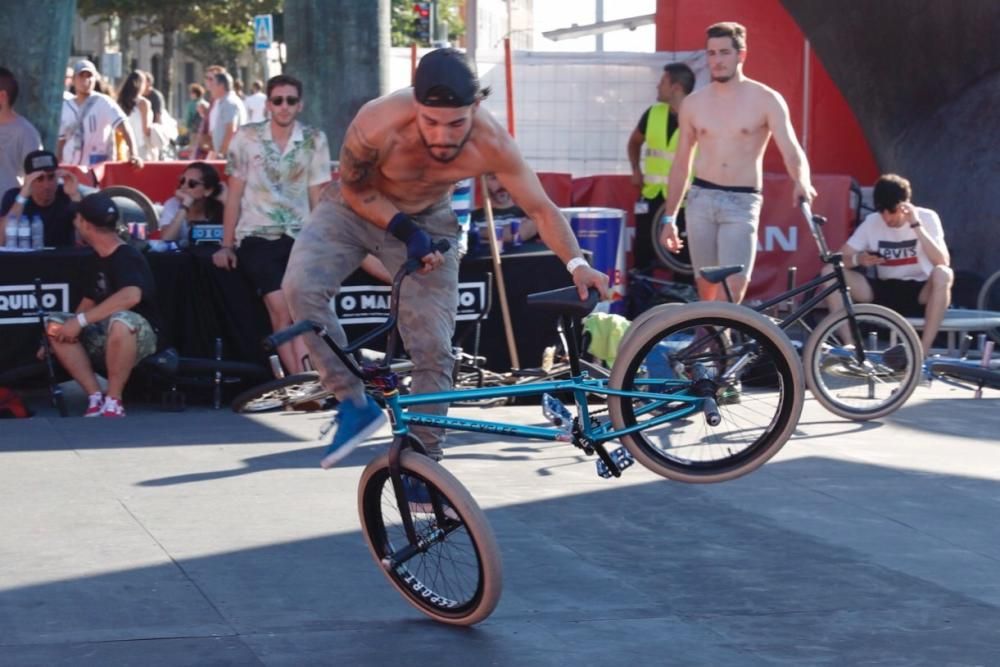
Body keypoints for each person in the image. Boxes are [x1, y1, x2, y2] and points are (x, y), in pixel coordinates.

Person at [282, 48, 608, 469]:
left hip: (430, 218)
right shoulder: (378, 119)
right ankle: (352, 401)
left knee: (434, 346)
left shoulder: (492, 143)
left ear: (476, 107)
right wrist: (404, 231)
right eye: (429, 122)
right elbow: (354, 188)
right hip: (352, 208)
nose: (442, 136)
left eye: (456, 124)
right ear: (414, 104)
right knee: (300, 288)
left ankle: (423, 458)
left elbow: (541, 209)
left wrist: (577, 264)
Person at [658, 22, 815, 303]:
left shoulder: (767, 99)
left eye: (724, 53)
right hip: (701, 198)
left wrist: (802, 180)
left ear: (741, 55)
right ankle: (711, 340)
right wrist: (670, 218)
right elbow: (682, 162)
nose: (717, 60)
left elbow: (791, 149)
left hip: (742, 202)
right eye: (712, 53)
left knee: (734, 285)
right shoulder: (694, 104)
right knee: (705, 283)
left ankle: (720, 332)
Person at [213, 74, 330, 377]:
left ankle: (309, 380)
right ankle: (299, 381)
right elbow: (234, 194)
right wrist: (226, 245)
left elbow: (318, 194)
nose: (284, 106)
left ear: (300, 105)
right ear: (268, 104)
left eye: (290, 100)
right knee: (281, 308)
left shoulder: (314, 139)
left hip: (301, 236)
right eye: (278, 100)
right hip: (257, 236)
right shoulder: (246, 137)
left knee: (301, 310)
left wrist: (322, 243)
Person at [44, 192, 161, 418]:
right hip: (104, 335)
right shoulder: (97, 256)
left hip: (140, 336)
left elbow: (131, 296)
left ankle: (114, 400)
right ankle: (95, 396)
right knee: (55, 323)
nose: (75, 224)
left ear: (85, 225)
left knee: (120, 320)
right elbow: (89, 299)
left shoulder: (126, 255)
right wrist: (65, 329)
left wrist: (80, 321)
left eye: (77, 219)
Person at [823, 174, 952, 358]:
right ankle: (850, 346)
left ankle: (922, 352)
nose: (886, 217)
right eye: (881, 211)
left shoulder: (927, 217)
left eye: (891, 211)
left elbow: (942, 261)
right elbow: (838, 258)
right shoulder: (872, 222)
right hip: (885, 289)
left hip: (920, 291)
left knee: (944, 274)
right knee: (830, 273)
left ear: (904, 206)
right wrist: (859, 259)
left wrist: (916, 226)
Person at [626, 62, 695, 275]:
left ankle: (684, 304)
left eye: (663, 81)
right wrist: (636, 169)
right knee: (643, 256)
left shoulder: (698, 115)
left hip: (685, 202)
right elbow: (634, 142)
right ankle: (642, 303)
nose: (658, 86)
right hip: (652, 197)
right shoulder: (653, 113)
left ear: (676, 87)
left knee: (683, 261)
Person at [58, 60, 143, 168]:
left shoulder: (103, 103)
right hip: (71, 169)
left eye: (89, 76)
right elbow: (61, 141)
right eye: (81, 76)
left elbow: (124, 127)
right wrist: (57, 165)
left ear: (95, 80)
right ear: (74, 80)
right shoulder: (66, 107)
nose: (86, 80)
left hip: (96, 169)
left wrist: (134, 154)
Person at [0, 150, 82, 247]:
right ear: (28, 179)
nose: (46, 185)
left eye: (51, 177)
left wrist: (75, 197)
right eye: (39, 179)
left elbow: (84, 239)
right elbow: (1, 240)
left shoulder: (67, 195)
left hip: (61, 259)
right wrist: (22, 197)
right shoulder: (14, 197)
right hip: (25, 259)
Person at [158, 161, 225, 244]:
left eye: (192, 183)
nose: (184, 186)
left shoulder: (220, 206)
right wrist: (185, 206)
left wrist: (226, 201)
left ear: (208, 190)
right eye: (182, 181)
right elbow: (166, 239)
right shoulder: (173, 204)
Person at [0, 67, 43, 193]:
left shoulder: (26, 133)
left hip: (8, 209)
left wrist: (17, 206)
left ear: (2, 96)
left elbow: (37, 180)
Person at [469, 172, 539, 246]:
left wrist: (477, 231)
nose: (501, 184)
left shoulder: (529, 213)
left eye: (507, 178)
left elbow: (518, 235)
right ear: (483, 183)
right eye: (494, 178)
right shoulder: (471, 218)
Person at [206, 71, 246, 159]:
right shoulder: (225, 102)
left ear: (221, 86)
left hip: (228, 157)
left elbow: (230, 129)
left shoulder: (229, 102)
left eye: (213, 85)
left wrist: (221, 153)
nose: (210, 89)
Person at [117, 71, 153, 161]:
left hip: (124, 147)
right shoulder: (143, 103)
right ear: (141, 84)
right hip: (140, 148)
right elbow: (146, 130)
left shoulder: (120, 102)